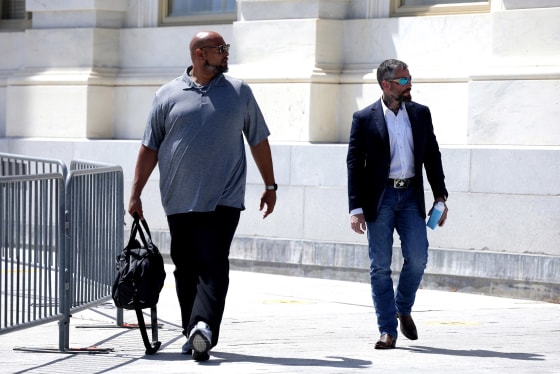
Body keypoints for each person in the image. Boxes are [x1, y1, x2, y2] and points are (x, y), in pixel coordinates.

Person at [128, 31, 277, 361]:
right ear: (199, 53)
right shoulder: (167, 95)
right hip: (178, 199)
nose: (226, 54)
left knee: (212, 261)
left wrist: (270, 185)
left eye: (226, 49)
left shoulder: (239, 92)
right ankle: (192, 331)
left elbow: (258, 141)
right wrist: (136, 193)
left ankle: (203, 326)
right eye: (220, 49)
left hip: (225, 197)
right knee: (185, 267)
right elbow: (149, 148)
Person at [346, 59, 448, 349]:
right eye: (403, 81)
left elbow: (432, 155)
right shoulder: (364, 118)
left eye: (409, 79)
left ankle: (403, 306)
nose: (409, 85)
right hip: (381, 199)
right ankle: (387, 329)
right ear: (386, 85)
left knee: (418, 258)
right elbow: (354, 164)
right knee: (380, 266)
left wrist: (440, 196)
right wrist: (355, 209)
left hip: (411, 196)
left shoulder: (419, 114)